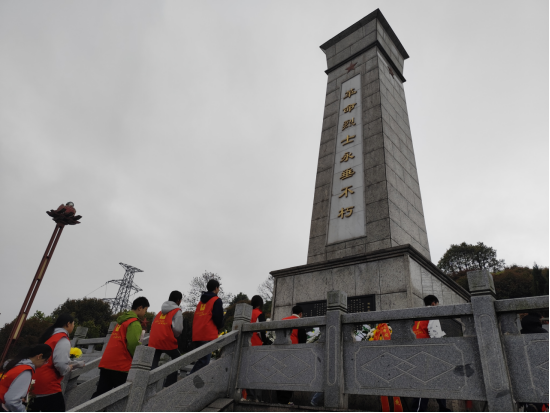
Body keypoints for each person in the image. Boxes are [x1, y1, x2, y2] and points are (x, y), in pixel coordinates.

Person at [92, 297, 150, 399]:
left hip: (107, 363)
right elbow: (133, 344)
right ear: (140, 308)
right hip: (121, 364)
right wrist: (138, 358)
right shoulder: (134, 323)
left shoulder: (121, 321)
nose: (145, 312)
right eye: (145, 309)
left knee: (100, 395)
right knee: (122, 398)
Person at [32, 314, 82, 412]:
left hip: (35, 382)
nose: (73, 327)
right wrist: (69, 368)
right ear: (68, 324)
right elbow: (60, 363)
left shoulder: (50, 337)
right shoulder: (62, 339)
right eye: (73, 324)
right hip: (48, 386)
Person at [411, 295, 451, 413]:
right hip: (429, 352)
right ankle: (419, 409)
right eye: (437, 304)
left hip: (416, 352)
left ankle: (442, 408)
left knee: (432, 381)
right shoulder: (432, 314)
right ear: (434, 303)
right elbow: (435, 335)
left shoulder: (418, 316)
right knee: (428, 382)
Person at [1, 344, 52, 412]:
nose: (43, 364)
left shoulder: (14, 364)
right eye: (45, 361)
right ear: (39, 356)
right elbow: (12, 401)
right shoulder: (25, 371)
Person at [149, 290, 184, 387]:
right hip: (167, 340)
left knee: (153, 362)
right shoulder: (177, 311)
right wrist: (175, 336)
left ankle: (150, 384)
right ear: (178, 300)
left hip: (154, 340)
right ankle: (169, 384)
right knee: (177, 358)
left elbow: (153, 325)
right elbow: (178, 329)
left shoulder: (160, 312)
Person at [190, 280, 224, 374]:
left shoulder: (200, 302)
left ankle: (192, 379)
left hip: (197, 334)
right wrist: (220, 326)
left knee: (201, 360)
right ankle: (189, 380)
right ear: (216, 288)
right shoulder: (216, 300)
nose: (218, 290)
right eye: (218, 288)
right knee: (204, 361)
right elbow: (218, 318)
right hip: (207, 334)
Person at [242, 295, 272, 402]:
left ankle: (249, 396)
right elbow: (261, 331)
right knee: (257, 372)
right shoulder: (259, 314)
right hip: (256, 346)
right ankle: (257, 397)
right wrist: (266, 341)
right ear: (260, 304)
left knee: (247, 371)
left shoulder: (247, 314)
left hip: (246, 345)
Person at [277, 306, 307, 405]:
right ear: (300, 314)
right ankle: (285, 400)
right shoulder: (300, 322)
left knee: (280, 375)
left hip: (280, 352)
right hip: (293, 353)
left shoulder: (283, 320)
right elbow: (302, 340)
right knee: (289, 376)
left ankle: (280, 399)